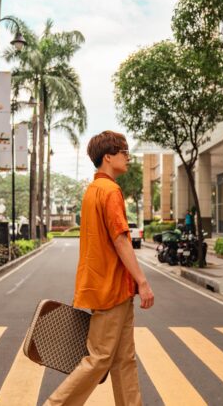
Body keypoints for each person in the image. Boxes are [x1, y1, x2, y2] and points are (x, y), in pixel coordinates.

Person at [45, 131, 154, 406]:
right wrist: (142, 281)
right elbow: (120, 239)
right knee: (100, 358)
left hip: (108, 287)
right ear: (108, 157)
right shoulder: (110, 191)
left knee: (123, 359)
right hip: (111, 289)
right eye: (124, 152)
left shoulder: (93, 190)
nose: (127, 158)